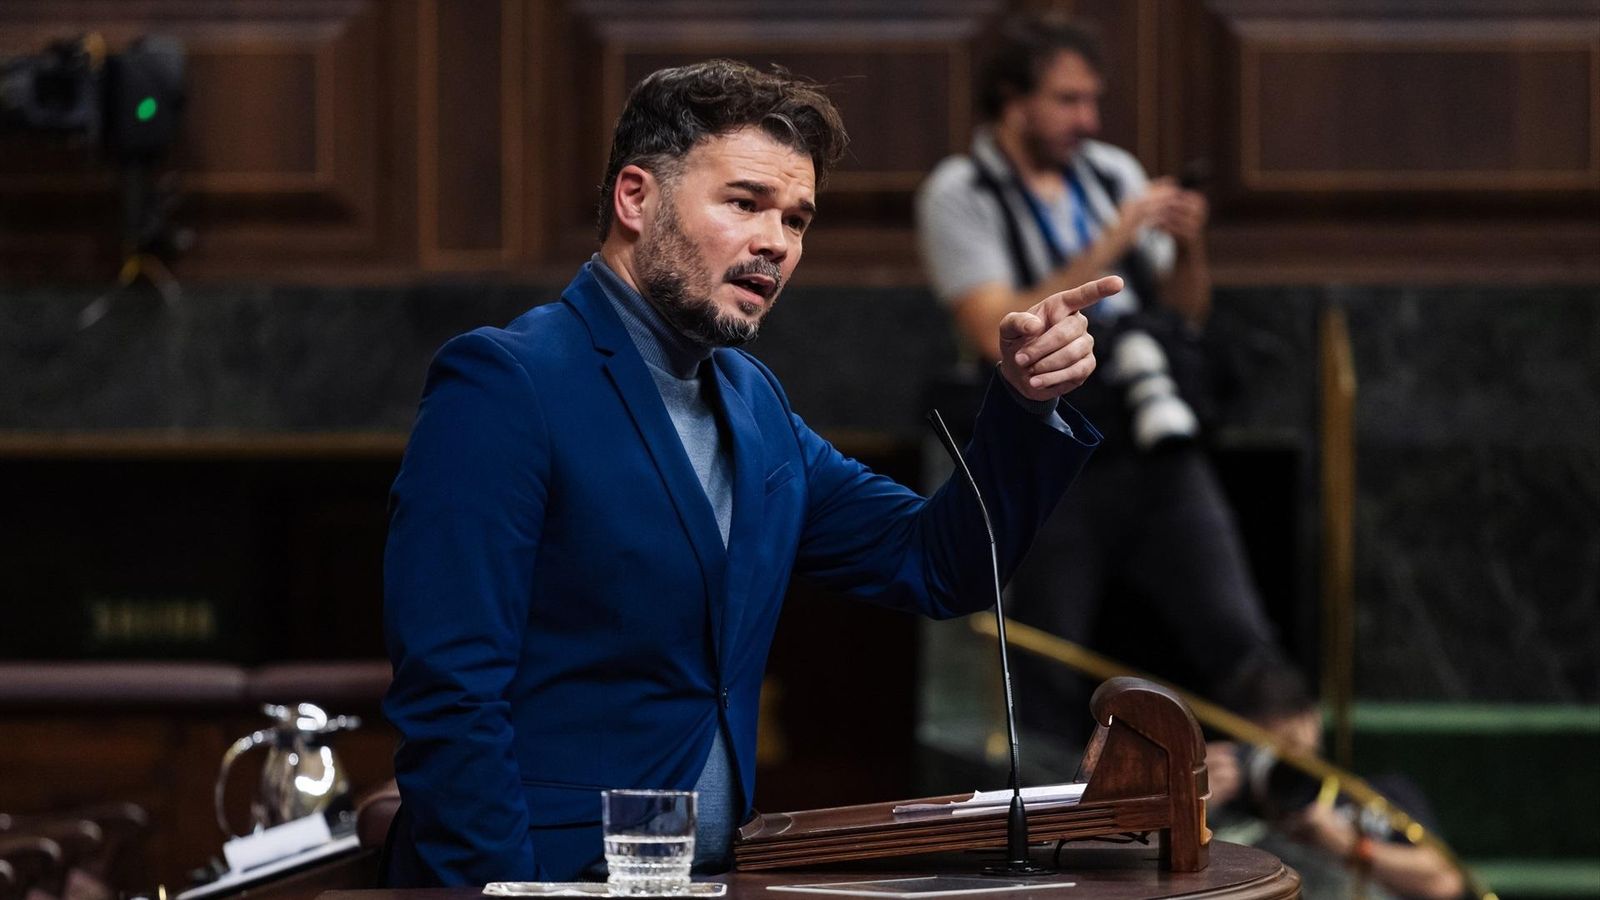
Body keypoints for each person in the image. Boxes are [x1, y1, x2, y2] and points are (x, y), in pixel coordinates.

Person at [381, 59, 1117, 887]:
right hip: (551, 877)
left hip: (709, 876)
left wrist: (1022, 405)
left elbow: (937, 563)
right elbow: (450, 694)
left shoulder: (752, 400)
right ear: (636, 199)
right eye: (744, 203)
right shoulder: (508, 383)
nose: (777, 242)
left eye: (796, 220)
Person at [914, 13, 1290, 751]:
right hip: (1051, 454)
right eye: (1067, 100)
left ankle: (1288, 794)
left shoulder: (1110, 171)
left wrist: (1188, 246)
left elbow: (1183, 313)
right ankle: (1051, 811)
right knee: (1047, 657)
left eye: (1093, 101)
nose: (1087, 120)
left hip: (1151, 437)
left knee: (1240, 632)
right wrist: (1113, 239)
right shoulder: (960, 191)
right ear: (1013, 102)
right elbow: (994, 329)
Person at [1208, 664, 1467, 900]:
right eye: (1259, 753)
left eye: (1289, 746)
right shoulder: (1221, 823)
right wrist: (1196, 807)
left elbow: (1445, 882)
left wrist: (1347, 844)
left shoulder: (1369, 796)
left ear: (1312, 722)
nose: (1279, 768)